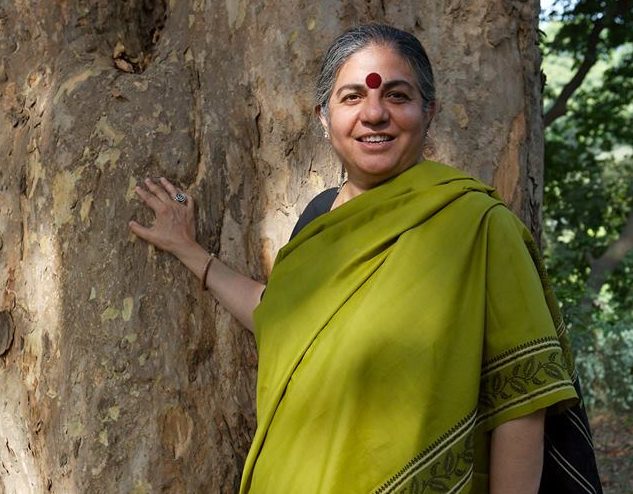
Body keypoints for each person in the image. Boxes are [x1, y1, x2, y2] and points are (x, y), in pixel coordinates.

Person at [129, 24, 601, 494]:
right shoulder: (317, 221)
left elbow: (524, 401)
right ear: (323, 116)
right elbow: (280, 316)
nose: (374, 114)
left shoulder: (478, 226)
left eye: (397, 96)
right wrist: (188, 250)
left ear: (429, 111)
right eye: (352, 97)